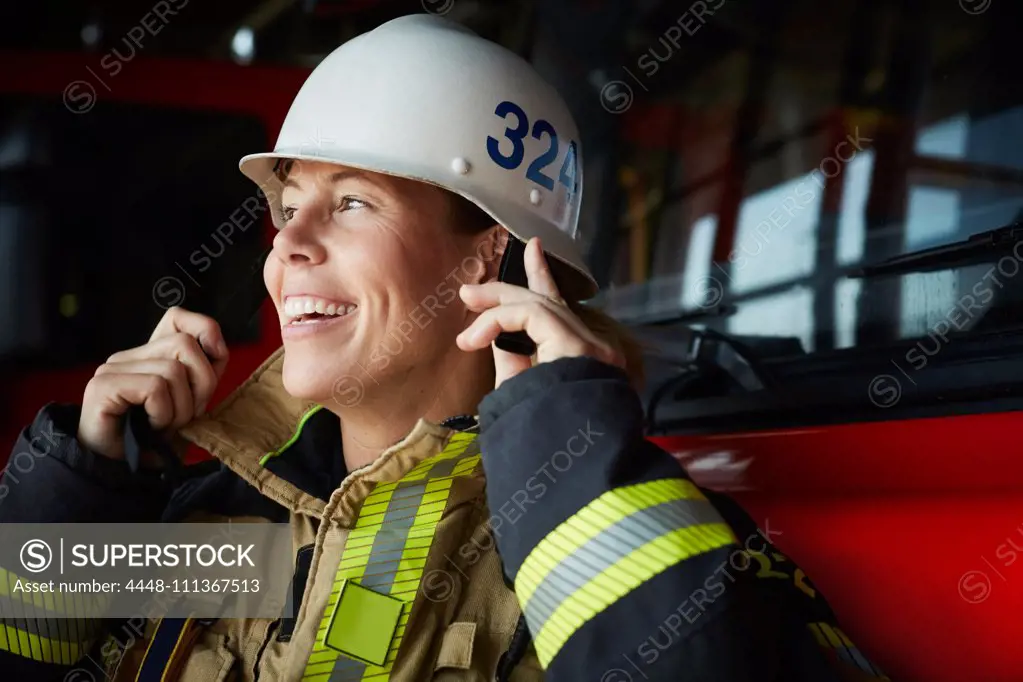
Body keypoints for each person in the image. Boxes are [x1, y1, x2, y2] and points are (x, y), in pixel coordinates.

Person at [0, 14, 889, 682]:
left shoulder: (599, 528)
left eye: (350, 202)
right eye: (288, 205)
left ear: (487, 253)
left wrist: (566, 456)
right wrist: (80, 482)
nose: (286, 243)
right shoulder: (232, 525)